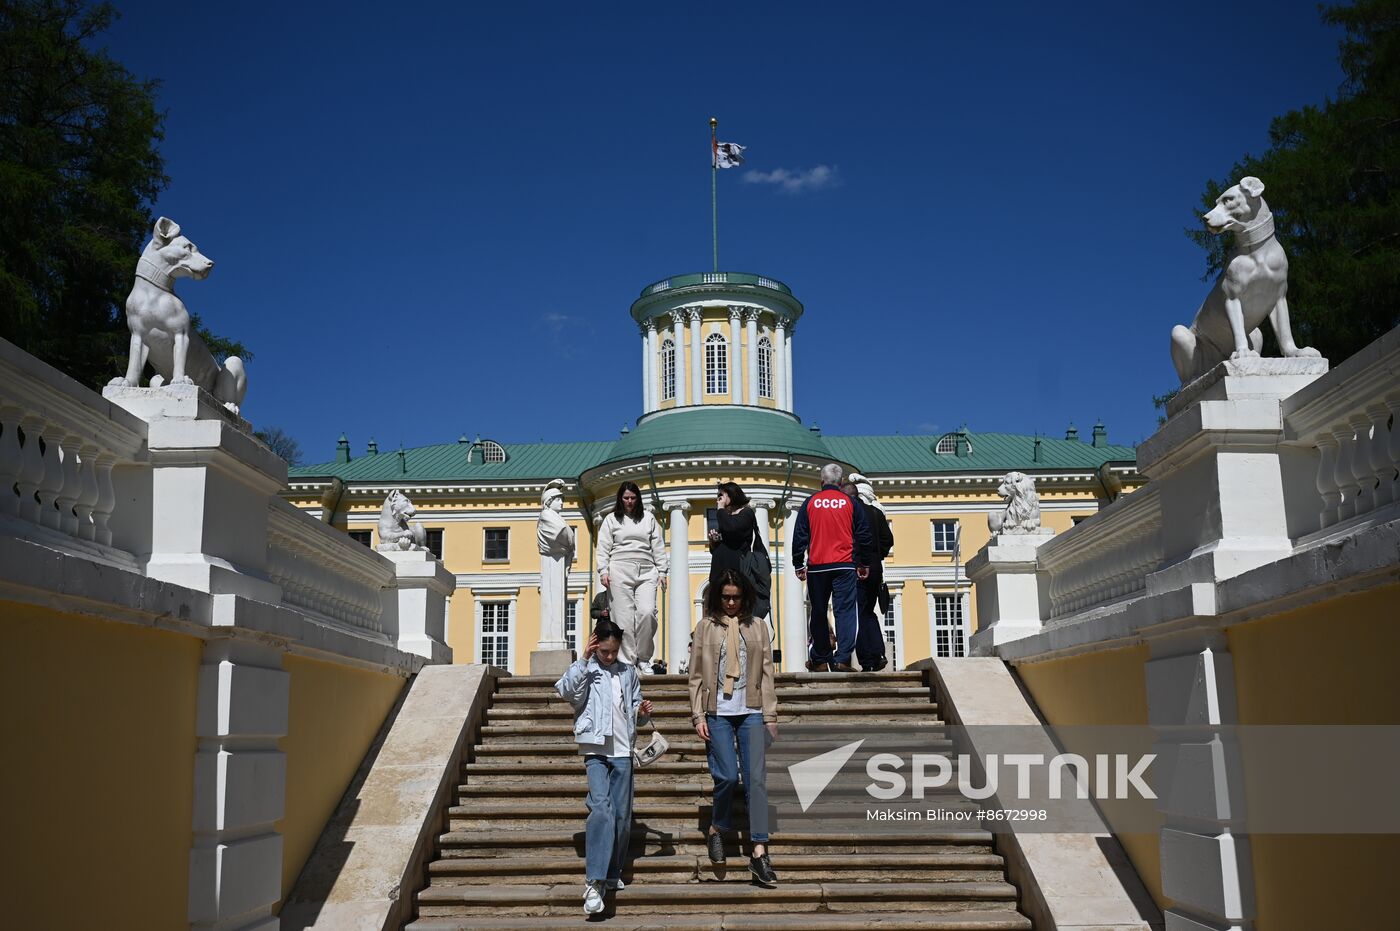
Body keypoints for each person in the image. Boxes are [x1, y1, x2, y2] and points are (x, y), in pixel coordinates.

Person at [556, 619, 654, 915]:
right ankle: (594, 881)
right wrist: (584, 658)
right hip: (595, 749)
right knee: (601, 808)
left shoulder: (628, 673)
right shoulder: (588, 667)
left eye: (612, 652)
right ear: (595, 644)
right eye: (604, 651)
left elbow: (636, 714)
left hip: (623, 750)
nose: (608, 656)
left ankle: (612, 872)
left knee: (622, 817)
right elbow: (566, 692)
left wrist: (642, 713)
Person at [688, 569, 779, 887]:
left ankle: (758, 852)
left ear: (745, 598)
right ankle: (717, 827)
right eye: (725, 597)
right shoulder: (705, 628)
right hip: (718, 713)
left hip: (751, 711)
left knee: (756, 781)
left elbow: (767, 672)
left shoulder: (757, 627)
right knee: (726, 776)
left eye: (735, 597)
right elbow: (696, 675)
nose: (729, 602)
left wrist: (770, 715)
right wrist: (698, 716)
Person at [791, 463, 873, 672]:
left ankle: (819, 659)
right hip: (844, 565)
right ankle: (842, 659)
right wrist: (863, 563)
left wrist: (798, 562)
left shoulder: (810, 502)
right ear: (841, 481)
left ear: (822, 482)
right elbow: (864, 534)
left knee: (818, 612)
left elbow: (800, 534)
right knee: (844, 612)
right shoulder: (850, 503)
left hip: (817, 566)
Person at [596, 482, 666, 671]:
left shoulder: (648, 518)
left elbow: (658, 546)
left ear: (638, 499)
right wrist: (603, 571)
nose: (629, 501)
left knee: (647, 612)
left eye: (633, 498)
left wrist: (662, 571)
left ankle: (643, 657)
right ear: (620, 498)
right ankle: (627, 660)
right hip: (619, 569)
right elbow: (603, 546)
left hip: (646, 569)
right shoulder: (611, 519)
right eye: (626, 498)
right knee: (623, 619)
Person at [842, 479, 891, 672]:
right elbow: (888, 539)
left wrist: (859, 562)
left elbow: (853, 542)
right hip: (875, 569)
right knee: (868, 612)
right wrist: (877, 556)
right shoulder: (876, 513)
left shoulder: (850, 514)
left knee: (858, 613)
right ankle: (878, 652)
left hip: (858, 568)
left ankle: (868, 659)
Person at [707, 482, 771, 619]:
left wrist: (720, 509)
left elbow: (732, 528)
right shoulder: (725, 516)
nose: (719, 499)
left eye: (721, 495)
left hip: (737, 566)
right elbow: (724, 542)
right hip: (720, 567)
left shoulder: (746, 513)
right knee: (718, 607)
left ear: (732, 494)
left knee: (737, 606)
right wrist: (713, 542)